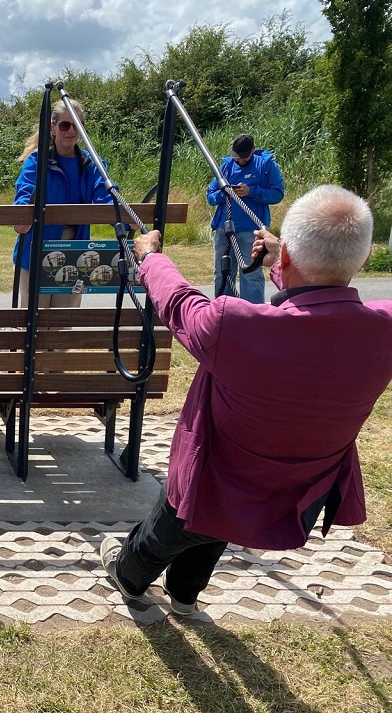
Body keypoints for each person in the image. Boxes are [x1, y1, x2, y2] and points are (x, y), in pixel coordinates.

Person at [99, 185, 392, 616]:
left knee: (171, 527)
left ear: (288, 254)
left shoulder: (233, 324)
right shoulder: (384, 327)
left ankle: (128, 575)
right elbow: (317, 302)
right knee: (218, 524)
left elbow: (179, 303)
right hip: (296, 490)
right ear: (363, 260)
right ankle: (184, 595)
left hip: (215, 474)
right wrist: (283, 263)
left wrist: (151, 258)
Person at [11, 99, 109, 308]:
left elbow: (106, 196)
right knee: (33, 319)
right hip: (36, 249)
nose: (71, 130)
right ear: (53, 127)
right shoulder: (36, 161)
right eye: (65, 125)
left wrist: (129, 220)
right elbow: (25, 192)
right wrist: (22, 218)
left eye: (77, 125)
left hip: (75, 251)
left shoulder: (91, 164)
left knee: (65, 321)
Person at [206, 133, 285, 303]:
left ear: (253, 150)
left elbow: (277, 194)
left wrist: (251, 192)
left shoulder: (266, 166)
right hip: (224, 229)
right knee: (222, 271)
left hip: (252, 231)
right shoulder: (226, 167)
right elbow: (210, 196)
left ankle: (253, 316)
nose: (240, 161)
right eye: (236, 157)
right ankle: (224, 312)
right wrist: (225, 193)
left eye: (244, 157)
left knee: (251, 273)